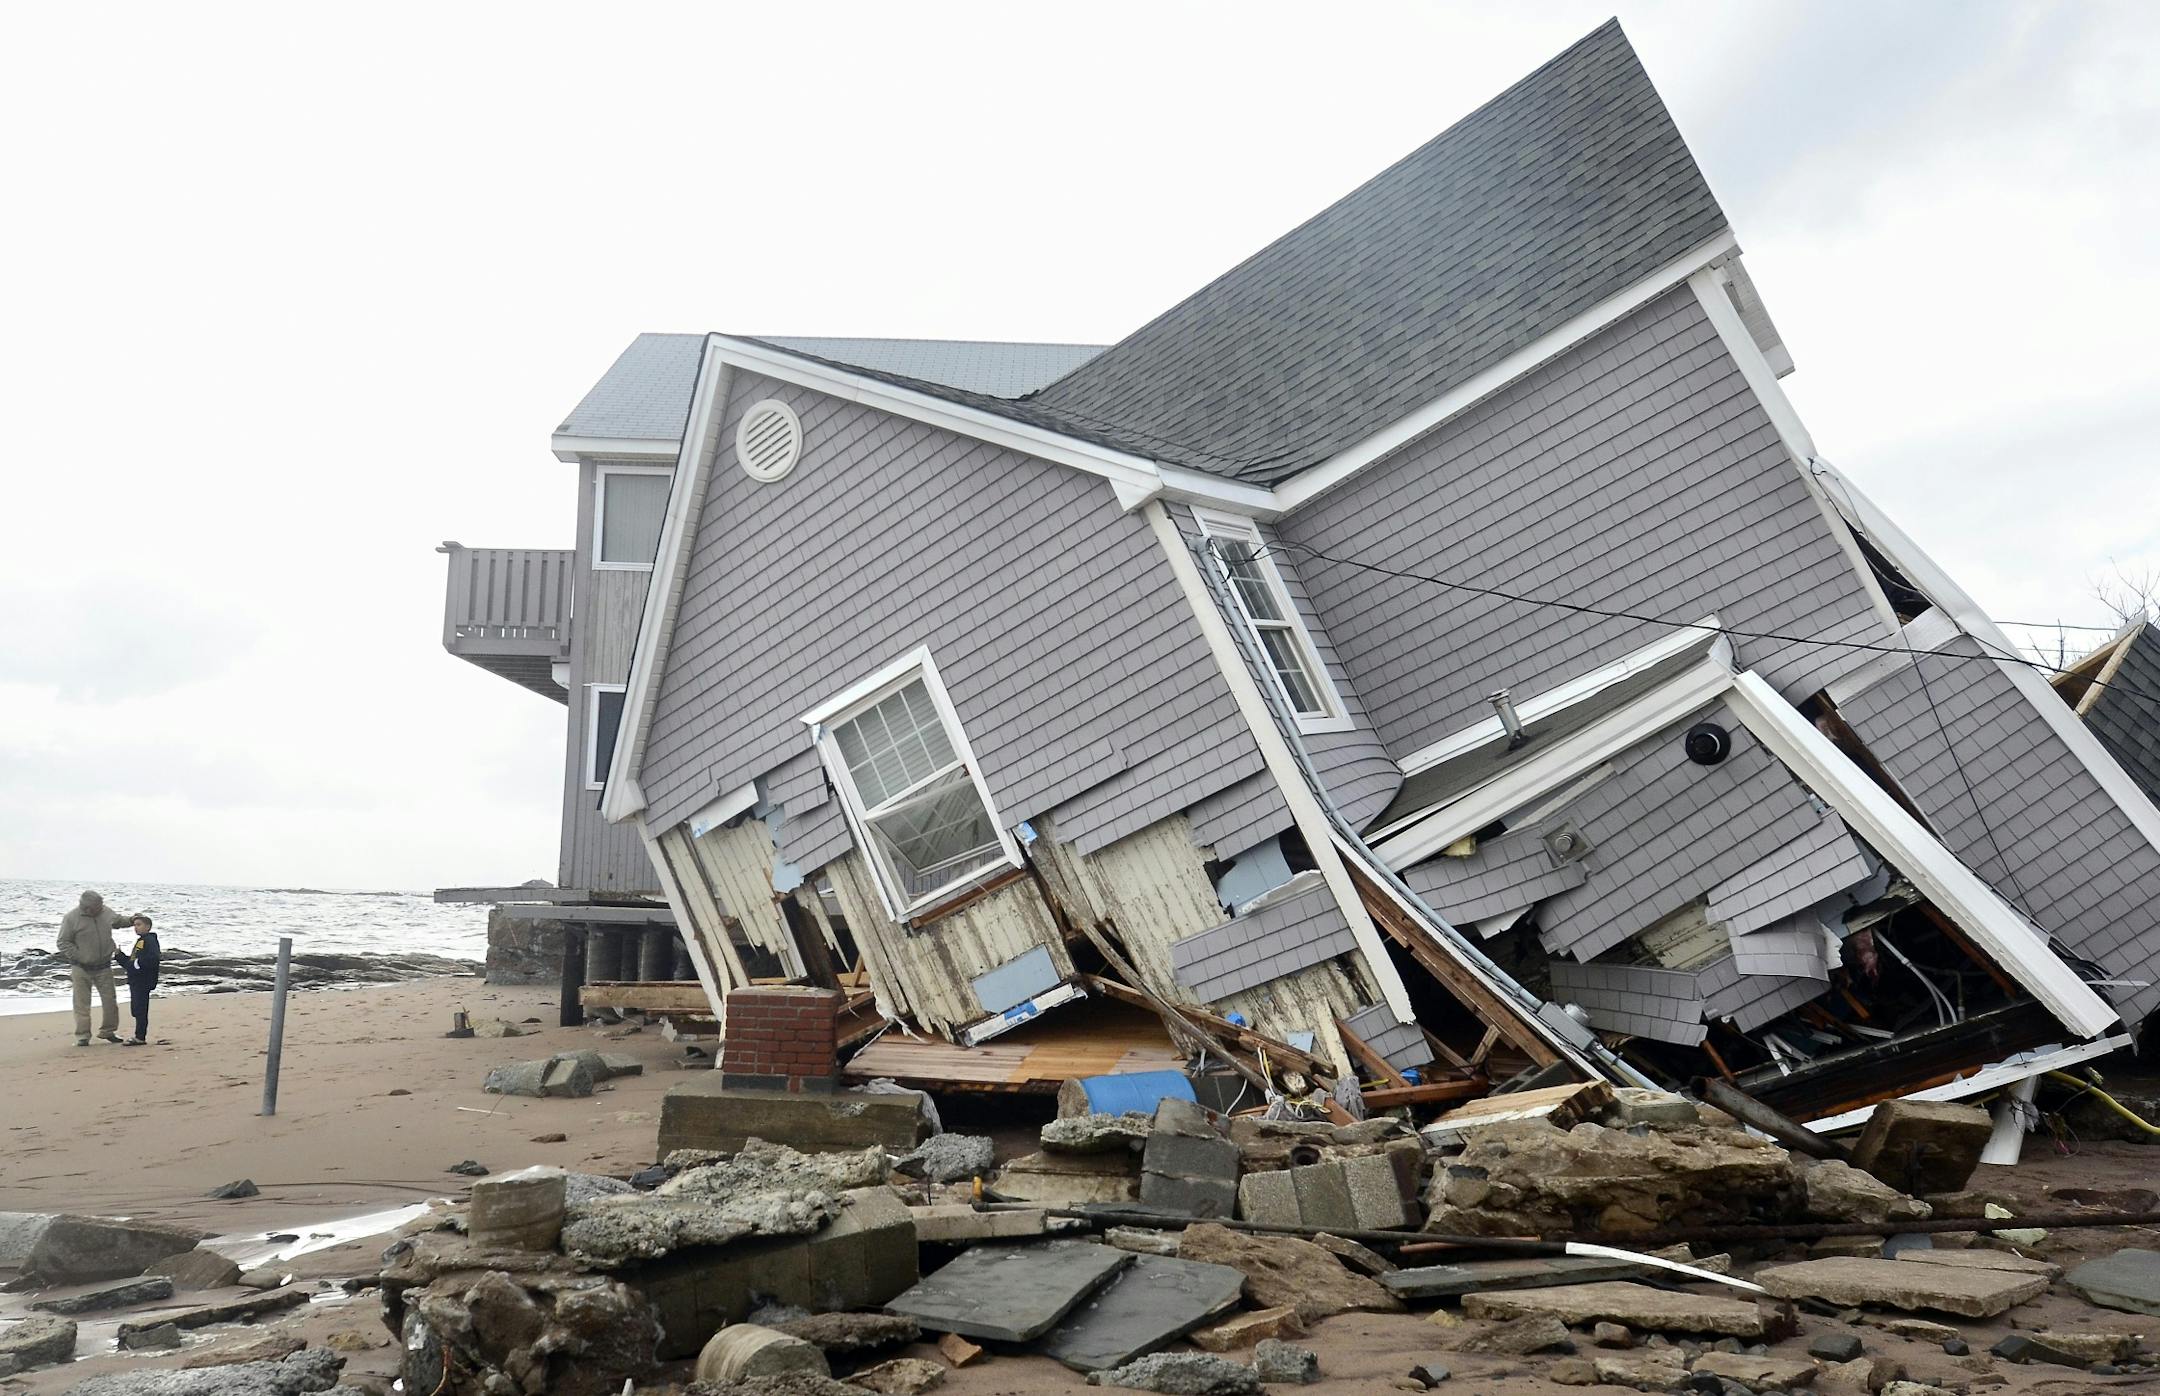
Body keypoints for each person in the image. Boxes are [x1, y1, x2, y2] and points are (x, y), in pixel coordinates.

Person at [57, 890, 129, 1046]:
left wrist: (133, 919)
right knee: (82, 1003)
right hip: (81, 967)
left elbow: (117, 921)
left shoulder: (105, 911)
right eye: (98, 906)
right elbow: (63, 942)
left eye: (101, 904)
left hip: (104, 966)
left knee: (110, 1000)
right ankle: (83, 1036)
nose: (101, 908)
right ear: (87, 908)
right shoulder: (71, 918)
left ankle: (108, 1031)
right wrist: (80, 956)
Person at [113, 914, 161, 1045]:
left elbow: (153, 959)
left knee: (140, 1009)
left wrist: (136, 965)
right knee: (136, 1008)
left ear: (148, 926)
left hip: (143, 980)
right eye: (135, 925)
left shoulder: (149, 940)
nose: (136, 928)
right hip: (136, 980)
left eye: (139, 925)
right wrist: (119, 956)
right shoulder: (141, 940)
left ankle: (140, 1037)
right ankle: (139, 1035)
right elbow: (131, 964)